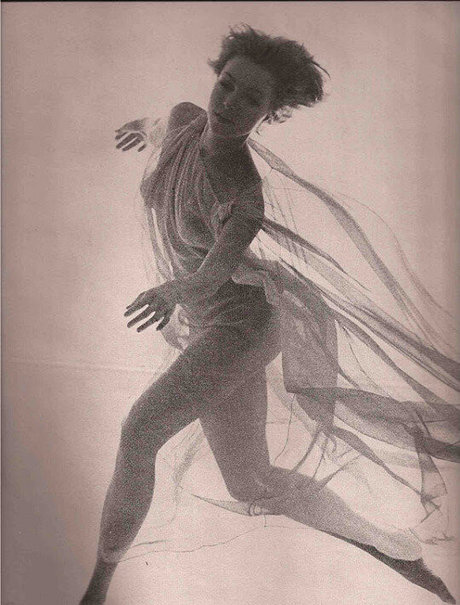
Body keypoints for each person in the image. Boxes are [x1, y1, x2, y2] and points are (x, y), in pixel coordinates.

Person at [80, 26, 459, 604]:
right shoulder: (184, 119)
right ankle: (394, 549)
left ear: (269, 113)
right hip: (211, 326)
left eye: (252, 99)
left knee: (139, 431)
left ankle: (95, 592)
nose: (230, 104)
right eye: (228, 85)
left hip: (242, 327)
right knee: (250, 481)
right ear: (217, 77)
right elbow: (165, 128)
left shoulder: (244, 193)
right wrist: (142, 126)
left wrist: (175, 289)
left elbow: (214, 273)